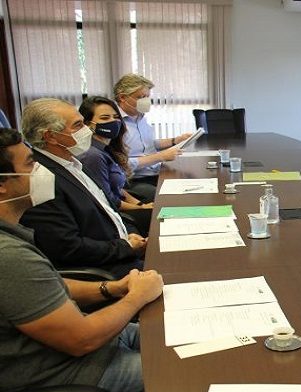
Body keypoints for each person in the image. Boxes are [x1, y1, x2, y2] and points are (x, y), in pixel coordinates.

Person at [0, 127, 163, 392]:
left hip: (90, 344)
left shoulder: (12, 238)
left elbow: (45, 285)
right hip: (69, 373)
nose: (40, 170)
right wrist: (136, 297)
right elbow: (81, 340)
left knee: (192, 338)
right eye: (30, 163)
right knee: (196, 372)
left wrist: (111, 288)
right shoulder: (8, 256)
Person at [19, 98, 146, 278]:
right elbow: (67, 247)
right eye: (78, 125)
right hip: (107, 269)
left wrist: (132, 236)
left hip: (123, 250)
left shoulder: (73, 162)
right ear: (50, 136)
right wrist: (125, 247)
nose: (88, 130)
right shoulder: (42, 179)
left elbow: (109, 211)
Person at [78, 96, 153, 236]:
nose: (113, 121)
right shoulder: (93, 156)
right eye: (105, 118)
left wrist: (140, 205)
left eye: (116, 117)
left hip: (121, 205)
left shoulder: (107, 148)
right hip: (113, 215)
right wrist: (141, 209)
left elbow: (118, 188)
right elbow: (108, 200)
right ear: (88, 124)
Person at [113, 73, 191, 202]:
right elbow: (120, 164)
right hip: (133, 180)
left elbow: (147, 144)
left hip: (153, 172)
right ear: (122, 97)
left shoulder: (140, 117)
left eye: (147, 97)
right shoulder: (114, 122)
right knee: (170, 198)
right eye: (141, 97)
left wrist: (175, 140)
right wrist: (161, 156)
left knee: (188, 182)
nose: (146, 101)